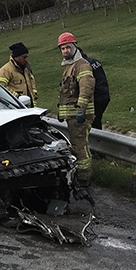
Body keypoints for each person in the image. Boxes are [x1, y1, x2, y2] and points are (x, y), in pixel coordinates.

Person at [56, 32, 95, 187]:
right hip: (72, 115)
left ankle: (84, 177)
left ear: (74, 47)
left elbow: (86, 88)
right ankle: (82, 174)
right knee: (77, 144)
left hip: (80, 115)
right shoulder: (69, 66)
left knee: (80, 145)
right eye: (62, 48)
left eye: (67, 47)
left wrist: (81, 109)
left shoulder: (81, 65)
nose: (65, 51)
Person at [0, 42, 38, 107]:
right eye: (24, 57)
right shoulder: (6, 70)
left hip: (29, 105)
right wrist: (17, 97)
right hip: (15, 106)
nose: (26, 59)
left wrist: (34, 96)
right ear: (16, 57)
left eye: (27, 57)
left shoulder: (26, 68)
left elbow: (32, 83)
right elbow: (1, 87)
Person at [78, 49, 110, 130]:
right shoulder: (94, 61)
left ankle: (97, 139)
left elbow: (87, 85)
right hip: (104, 94)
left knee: (92, 122)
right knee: (97, 119)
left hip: (96, 97)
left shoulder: (84, 66)